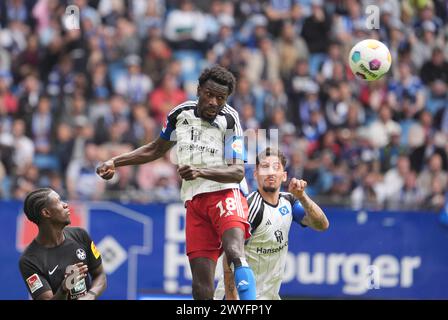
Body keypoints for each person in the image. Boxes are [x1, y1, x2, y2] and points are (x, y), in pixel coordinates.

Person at [96, 65, 256, 300]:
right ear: (199, 90)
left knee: (234, 252)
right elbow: (155, 149)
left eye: (220, 98)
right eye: (209, 94)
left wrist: (200, 171)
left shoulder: (229, 119)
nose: (213, 102)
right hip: (194, 202)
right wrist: (115, 162)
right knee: (201, 285)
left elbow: (237, 171)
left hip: (226, 194)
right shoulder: (180, 115)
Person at [215, 148, 329, 300]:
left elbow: (322, 225)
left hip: (269, 296)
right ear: (256, 174)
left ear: (284, 176)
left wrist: (303, 197)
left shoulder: (289, 202)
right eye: (264, 167)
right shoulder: (250, 208)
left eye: (276, 167)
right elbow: (230, 256)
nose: (270, 172)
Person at [18, 188, 107, 300]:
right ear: (46, 213)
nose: (65, 205)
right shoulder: (29, 261)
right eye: (59, 201)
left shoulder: (81, 235)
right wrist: (64, 288)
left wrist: (90, 296)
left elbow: (100, 275)